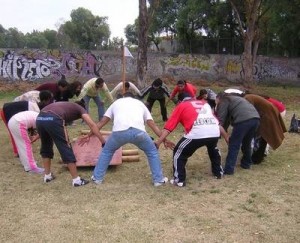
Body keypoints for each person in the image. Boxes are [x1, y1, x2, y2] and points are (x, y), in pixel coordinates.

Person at [88, 92, 168, 186]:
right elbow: (152, 124)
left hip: (119, 133)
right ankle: (158, 180)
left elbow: (102, 121)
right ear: (133, 98)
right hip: (139, 133)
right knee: (152, 152)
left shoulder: (116, 102)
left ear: (123, 97)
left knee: (107, 151)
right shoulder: (140, 103)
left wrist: (90, 134)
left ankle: (97, 178)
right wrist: (164, 139)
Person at [155, 94, 227, 187]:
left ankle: (179, 180)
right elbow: (217, 124)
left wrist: (159, 141)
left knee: (179, 152)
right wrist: (226, 137)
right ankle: (219, 173)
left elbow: (169, 127)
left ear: (181, 101)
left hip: (197, 133)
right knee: (213, 148)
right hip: (214, 132)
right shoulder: (204, 103)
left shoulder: (181, 105)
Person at [36, 101, 106, 187]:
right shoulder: (80, 109)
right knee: (65, 148)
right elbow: (92, 125)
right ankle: (76, 180)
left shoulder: (66, 106)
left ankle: (47, 176)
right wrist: (103, 141)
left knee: (46, 146)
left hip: (40, 118)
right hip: (54, 118)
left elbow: (59, 126)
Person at [215, 92, 260, 175]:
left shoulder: (223, 101)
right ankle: (246, 164)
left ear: (218, 98)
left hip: (243, 120)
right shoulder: (236, 98)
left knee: (234, 145)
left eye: (216, 101)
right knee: (247, 142)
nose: (216, 103)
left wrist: (224, 136)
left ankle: (229, 169)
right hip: (256, 119)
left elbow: (220, 121)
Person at [1, 90, 53, 157]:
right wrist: (33, 136)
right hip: (6, 111)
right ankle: (18, 152)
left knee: (23, 133)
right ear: (47, 100)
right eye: (49, 100)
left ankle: (23, 150)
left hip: (11, 111)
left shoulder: (35, 105)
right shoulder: (34, 109)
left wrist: (32, 136)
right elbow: (31, 127)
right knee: (15, 132)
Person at [244, 94, 287, 164]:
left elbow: (250, 111)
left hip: (274, 112)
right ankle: (259, 155)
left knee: (266, 135)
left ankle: (259, 156)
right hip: (270, 112)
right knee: (263, 136)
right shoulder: (254, 97)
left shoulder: (248, 98)